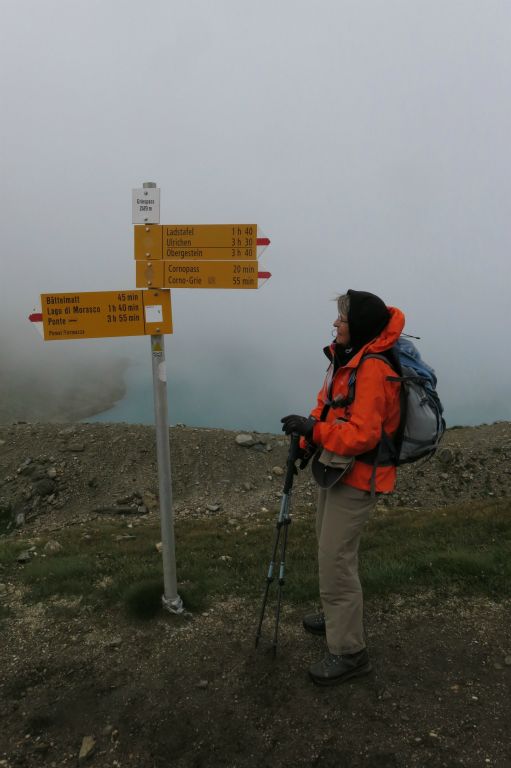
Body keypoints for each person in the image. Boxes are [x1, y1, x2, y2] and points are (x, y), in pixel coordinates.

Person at [281, 289, 405, 686]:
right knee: (329, 550)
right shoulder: (345, 358)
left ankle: (350, 652)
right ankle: (337, 618)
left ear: (361, 327)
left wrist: (313, 429)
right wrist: (306, 442)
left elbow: (363, 436)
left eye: (342, 319)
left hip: (358, 476)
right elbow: (328, 405)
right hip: (336, 468)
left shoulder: (372, 369)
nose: (335, 324)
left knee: (335, 559)